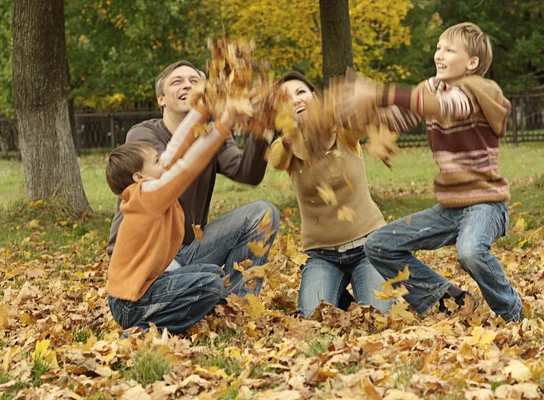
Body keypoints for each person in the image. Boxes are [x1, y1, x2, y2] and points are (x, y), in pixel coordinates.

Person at [342, 22, 522, 322]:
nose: (439, 54)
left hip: (485, 204)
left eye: (449, 50)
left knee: (470, 252)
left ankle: (511, 311)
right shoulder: (431, 88)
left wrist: (377, 92)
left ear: (472, 63)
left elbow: (444, 107)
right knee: (379, 245)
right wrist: (361, 117)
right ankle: (445, 299)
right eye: (439, 47)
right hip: (449, 208)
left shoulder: (480, 89)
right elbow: (399, 117)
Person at [107, 61, 280, 299]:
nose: (187, 85)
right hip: (148, 261)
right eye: (177, 82)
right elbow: (176, 166)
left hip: (189, 250)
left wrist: (262, 125)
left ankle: (238, 303)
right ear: (161, 99)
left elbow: (247, 173)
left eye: (195, 81)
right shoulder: (142, 139)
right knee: (208, 279)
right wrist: (222, 122)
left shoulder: (209, 133)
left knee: (262, 213)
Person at [106, 101, 252, 333]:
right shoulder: (146, 195)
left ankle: (219, 317)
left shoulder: (148, 189)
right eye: (156, 161)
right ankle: (143, 331)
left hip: (145, 289)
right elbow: (187, 166)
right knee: (210, 285)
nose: (163, 162)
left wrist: (202, 109)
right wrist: (224, 124)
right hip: (130, 302)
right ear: (138, 176)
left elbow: (176, 148)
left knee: (212, 273)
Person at [269, 71, 393, 317]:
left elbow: (363, 118)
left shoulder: (344, 133)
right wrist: (290, 131)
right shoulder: (284, 148)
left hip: (369, 247)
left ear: (315, 97)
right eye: (285, 99)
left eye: (301, 93)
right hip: (322, 255)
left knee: (376, 318)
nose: (295, 100)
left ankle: (368, 284)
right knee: (311, 318)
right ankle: (338, 294)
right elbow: (275, 159)